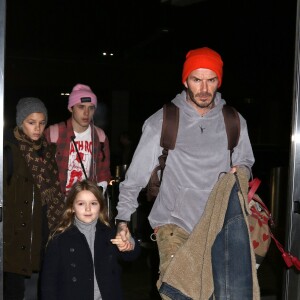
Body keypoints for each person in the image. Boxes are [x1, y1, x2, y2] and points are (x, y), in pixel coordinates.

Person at [115, 47, 257, 299]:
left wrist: (242, 170)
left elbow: (246, 160)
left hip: (218, 226)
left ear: (219, 81)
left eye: (211, 79)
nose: (204, 88)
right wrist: (122, 221)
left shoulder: (234, 121)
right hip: (174, 226)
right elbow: (134, 178)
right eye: (196, 79)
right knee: (177, 294)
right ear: (185, 80)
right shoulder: (163, 121)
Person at [3, 97, 65, 300]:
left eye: (41, 122)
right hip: (17, 235)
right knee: (15, 291)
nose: (37, 128)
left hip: (43, 230)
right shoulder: (9, 150)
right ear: (21, 123)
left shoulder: (48, 152)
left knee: (42, 289)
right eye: (31, 122)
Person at [40, 179, 140, 300]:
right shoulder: (59, 239)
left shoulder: (110, 235)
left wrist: (129, 244)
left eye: (93, 203)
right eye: (81, 204)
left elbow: (131, 256)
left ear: (100, 206)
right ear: (72, 207)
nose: (88, 209)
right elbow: (48, 283)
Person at [44, 83, 111, 196]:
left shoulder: (100, 136)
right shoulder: (53, 133)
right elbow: (42, 172)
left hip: (86, 202)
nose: (86, 113)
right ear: (71, 108)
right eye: (81, 107)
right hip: (57, 203)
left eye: (91, 108)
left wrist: (94, 197)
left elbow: (103, 174)